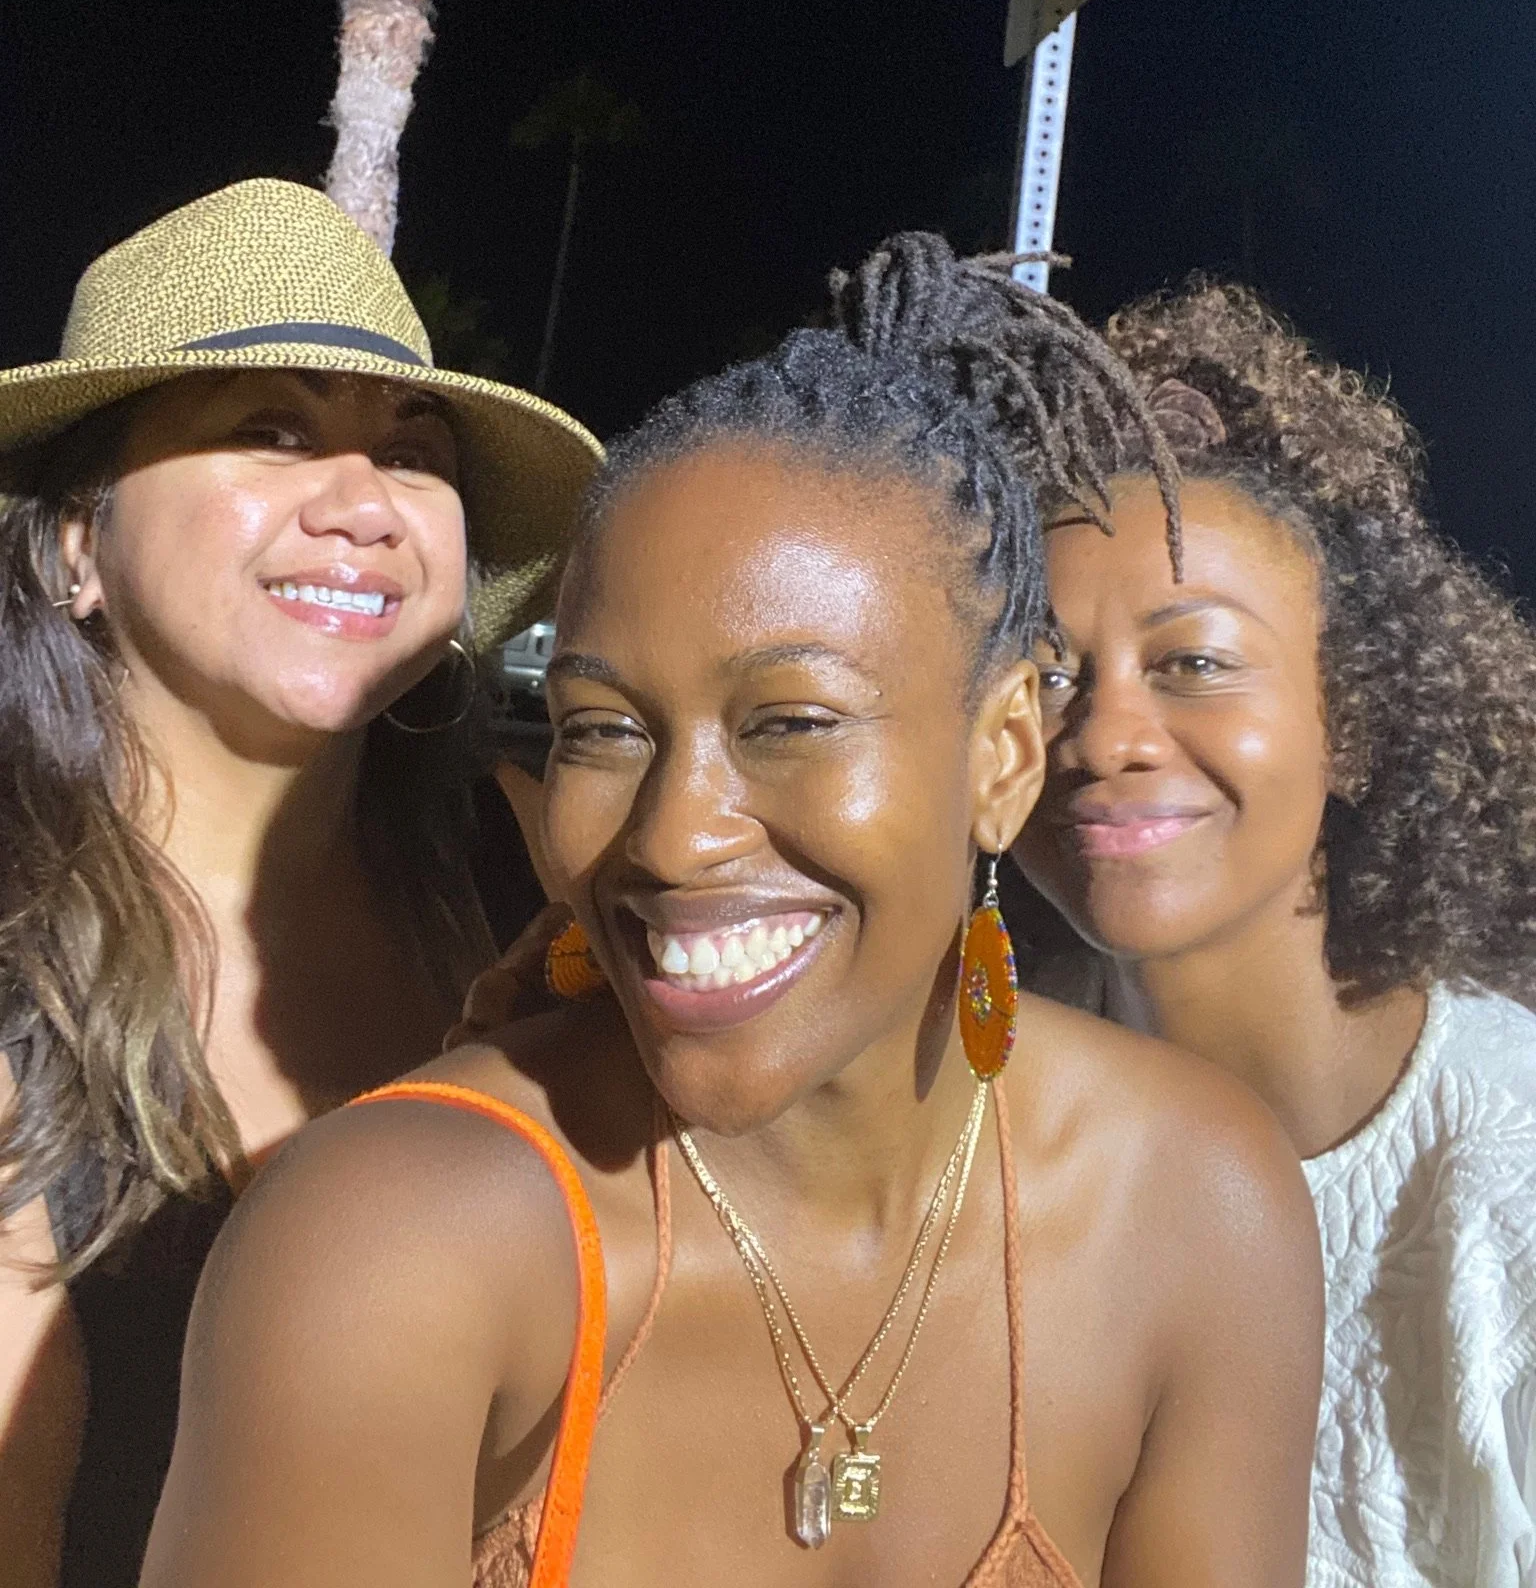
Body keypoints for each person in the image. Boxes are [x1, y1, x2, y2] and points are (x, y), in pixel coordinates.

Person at [142, 234, 1323, 1588]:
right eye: (603, 729)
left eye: (792, 720)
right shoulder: (391, 1249)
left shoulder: (1195, 1204)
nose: (671, 834)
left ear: (1001, 758)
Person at [0, 178, 601, 1588]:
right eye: (271, 432)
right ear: (79, 540)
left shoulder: (535, 869)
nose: (364, 502)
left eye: (412, 448)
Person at [1007, 280, 1536, 1588]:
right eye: (1049, 671)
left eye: (1192, 662)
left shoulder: (1504, 1176)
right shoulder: (969, 1095)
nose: (1105, 736)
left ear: (1349, 717)